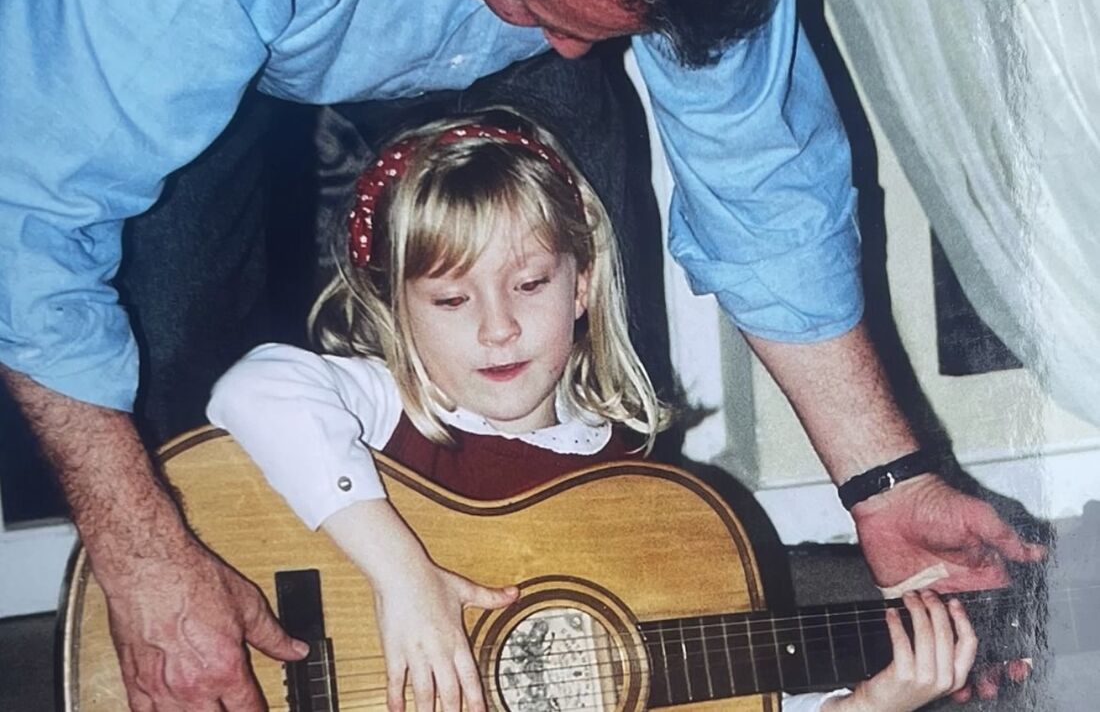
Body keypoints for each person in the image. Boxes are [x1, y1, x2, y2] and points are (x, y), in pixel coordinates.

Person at [0, 0, 1041, 709]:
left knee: (572, 217)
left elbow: (765, 181)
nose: (573, 52)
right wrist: (143, 547)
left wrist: (884, 481)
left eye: (610, 23)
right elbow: (24, 212)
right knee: (162, 343)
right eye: (551, 12)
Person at [208, 112, 980, 712]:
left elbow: (729, 696)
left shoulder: (635, 500)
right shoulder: (386, 409)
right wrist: (404, 578)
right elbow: (253, 389)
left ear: (580, 287)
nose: (496, 326)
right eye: (450, 299)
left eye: (531, 284)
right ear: (398, 313)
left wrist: (878, 698)